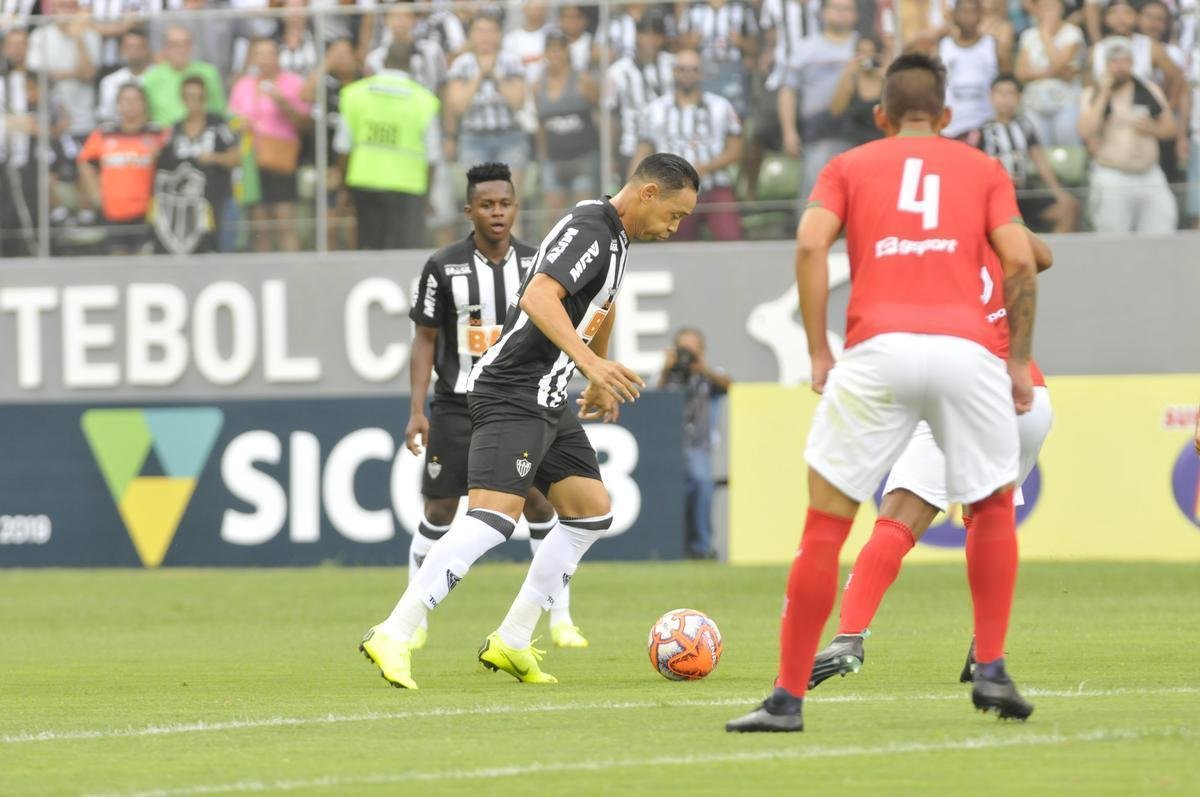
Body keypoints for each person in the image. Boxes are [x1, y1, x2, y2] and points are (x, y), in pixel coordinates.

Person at [726, 52, 1039, 733]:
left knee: (826, 525)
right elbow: (1022, 258)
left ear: (880, 114)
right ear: (948, 114)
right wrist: (1017, 360)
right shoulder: (983, 168)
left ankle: (786, 699)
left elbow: (810, 245)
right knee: (990, 507)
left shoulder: (848, 165)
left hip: (877, 352)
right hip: (967, 353)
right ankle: (991, 666)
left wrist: (818, 348)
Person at [358, 153, 699, 690]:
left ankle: (513, 641)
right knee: (493, 518)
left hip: (547, 395)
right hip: (512, 388)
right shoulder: (592, 228)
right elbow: (538, 294)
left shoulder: (617, 238)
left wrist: (596, 373)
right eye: (675, 214)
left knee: (590, 512)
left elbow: (602, 305)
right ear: (648, 194)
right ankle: (394, 632)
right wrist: (590, 364)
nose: (675, 227)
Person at [809, 232, 1055, 691]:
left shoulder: (907, 248)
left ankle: (848, 637)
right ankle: (987, 653)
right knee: (987, 519)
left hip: (963, 390)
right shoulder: (987, 227)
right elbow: (1040, 258)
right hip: (1030, 399)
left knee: (897, 521)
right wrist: (995, 222)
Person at [404, 162, 589, 651]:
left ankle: (560, 619)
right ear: (469, 211)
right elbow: (425, 339)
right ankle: (414, 620)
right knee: (441, 507)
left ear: (516, 207)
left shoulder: (538, 264)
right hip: (456, 403)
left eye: (505, 203)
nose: (497, 212)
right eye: (486, 205)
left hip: (520, 401)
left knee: (541, 504)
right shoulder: (443, 266)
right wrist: (417, 409)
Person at [333, 40, 438, 251]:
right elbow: (433, 156)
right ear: (410, 64)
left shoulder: (355, 94)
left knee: (370, 250)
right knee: (405, 253)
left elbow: (343, 148)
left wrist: (344, 189)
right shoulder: (424, 100)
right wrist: (426, 195)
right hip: (409, 186)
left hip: (365, 182)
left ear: (383, 61)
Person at [633, 48, 743, 241]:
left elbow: (736, 150)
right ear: (674, 72)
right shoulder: (655, 110)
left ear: (701, 73)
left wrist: (705, 168)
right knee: (677, 245)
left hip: (715, 184)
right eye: (682, 69)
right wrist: (633, 191)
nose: (688, 74)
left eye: (694, 69)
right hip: (673, 190)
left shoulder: (720, 106)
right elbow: (643, 152)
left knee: (731, 238)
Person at [1078, 38, 1179, 232]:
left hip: (1150, 174)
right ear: (1106, 64)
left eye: (1124, 61)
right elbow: (1085, 131)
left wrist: (1152, 128)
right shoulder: (1092, 93)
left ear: (1132, 63)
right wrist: (1104, 93)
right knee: (1114, 238)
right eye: (1114, 62)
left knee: (1163, 233)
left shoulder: (1148, 90)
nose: (1120, 67)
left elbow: (1170, 129)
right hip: (1112, 175)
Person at [229, 36, 310, 252]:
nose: (264, 59)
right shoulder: (244, 85)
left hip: (280, 156)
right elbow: (231, 119)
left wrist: (281, 100)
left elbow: (304, 122)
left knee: (284, 222)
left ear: (278, 56)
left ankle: (293, 268)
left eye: (269, 53)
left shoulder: (292, 82)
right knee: (259, 224)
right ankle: (263, 269)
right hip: (251, 158)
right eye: (259, 54)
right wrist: (240, 124)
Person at [659, 328, 733, 559]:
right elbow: (652, 397)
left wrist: (703, 368)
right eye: (683, 350)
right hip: (666, 447)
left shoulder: (710, 375)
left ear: (702, 351)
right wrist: (666, 369)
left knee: (702, 484)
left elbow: (730, 386)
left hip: (699, 446)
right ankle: (669, 547)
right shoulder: (667, 375)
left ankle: (701, 547)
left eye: (693, 350)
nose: (687, 356)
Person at [778, 0, 860, 205]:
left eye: (847, 9)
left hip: (861, 131)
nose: (841, 13)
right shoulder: (805, 48)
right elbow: (788, 90)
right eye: (836, 8)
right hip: (819, 132)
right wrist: (789, 132)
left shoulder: (864, 46)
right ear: (823, 12)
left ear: (856, 15)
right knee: (815, 196)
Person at [444, 11, 527, 202]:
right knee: (480, 204)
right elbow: (459, 106)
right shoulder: (461, 64)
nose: (485, 36)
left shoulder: (512, 61)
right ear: (471, 34)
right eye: (480, 30)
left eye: (491, 31)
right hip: (474, 139)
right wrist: (480, 74)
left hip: (510, 138)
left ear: (499, 34)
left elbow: (518, 102)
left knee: (510, 201)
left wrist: (496, 74)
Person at [151, 76, 240, 255]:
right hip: (186, 207)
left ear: (205, 98)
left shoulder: (218, 125)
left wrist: (213, 158)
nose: (194, 101)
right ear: (182, 98)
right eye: (189, 96)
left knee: (221, 248)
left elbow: (236, 158)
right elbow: (164, 165)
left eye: (198, 96)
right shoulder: (174, 130)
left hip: (217, 198)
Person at [980, 75, 1080, 232]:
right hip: (997, 197)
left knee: (1069, 208)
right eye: (1000, 93)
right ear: (991, 96)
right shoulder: (982, 131)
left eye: (1011, 93)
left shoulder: (1025, 125)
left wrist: (1058, 193)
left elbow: (1040, 160)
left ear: (1019, 97)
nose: (1005, 99)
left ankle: (1052, 248)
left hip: (1024, 194)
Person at [76, 83, 166, 254]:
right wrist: (95, 194)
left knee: (145, 259)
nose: (130, 105)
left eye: (135, 100)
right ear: (118, 105)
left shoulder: (157, 134)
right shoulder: (104, 133)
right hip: (113, 210)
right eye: (125, 100)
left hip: (147, 211)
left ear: (144, 104)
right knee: (117, 260)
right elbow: (84, 162)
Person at [535, 29, 600, 221]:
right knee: (554, 218)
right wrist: (542, 155)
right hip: (554, 158)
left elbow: (601, 112)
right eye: (551, 49)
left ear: (567, 52)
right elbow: (541, 123)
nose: (555, 54)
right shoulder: (538, 84)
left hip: (583, 156)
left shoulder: (583, 80)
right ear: (545, 53)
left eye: (559, 49)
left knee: (584, 216)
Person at [605, 11, 673, 182]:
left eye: (656, 34)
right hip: (631, 147)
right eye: (645, 34)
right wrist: (610, 155)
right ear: (636, 36)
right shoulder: (617, 72)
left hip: (669, 148)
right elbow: (611, 116)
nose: (650, 40)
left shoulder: (674, 65)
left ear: (663, 38)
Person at [26, 0, 100, 143]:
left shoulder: (91, 35)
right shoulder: (40, 35)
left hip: (83, 121)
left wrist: (78, 38)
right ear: (53, 9)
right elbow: (38, 76)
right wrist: (75, 74)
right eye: (62, 6)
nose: (66, 12)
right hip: (49, 122)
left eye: (70, 6)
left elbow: (88, 74)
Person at [1015, 0, 1086, 147]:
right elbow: (1021, 73)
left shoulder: (1072, 32)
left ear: (1062, 8)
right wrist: (1053, 71)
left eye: (1052, 6)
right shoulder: (1029, 35)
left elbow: (1059, 65)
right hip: (1034, 103)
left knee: (1069, 148)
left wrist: (1046, 35)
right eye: (1043, 7)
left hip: (1065, 102)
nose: (1047, 11)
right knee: (1040, 148)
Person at [677, 0, 759, 117]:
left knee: (736, 113)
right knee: (703, 114)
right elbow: (679, 45)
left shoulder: (742, 7)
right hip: (703, 70)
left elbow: (755, 46)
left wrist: (740, 41)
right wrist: (692, 42)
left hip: (732, 69)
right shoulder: (693, 7)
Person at [938, 0, 1000, 142]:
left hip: (986, 124)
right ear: (954, 15)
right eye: (964, 11)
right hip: (952, 125)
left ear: (981, 15)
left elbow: (1004, 82)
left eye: (973, 11)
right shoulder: (943, 46)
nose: (968, 17)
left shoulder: (992, 45)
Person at [142, 26, 226, 127]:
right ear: (165, 48)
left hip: (203, 132)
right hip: (165, 133)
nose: (180, 49)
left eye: (185, 44)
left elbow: (219, 110)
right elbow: (145, 115)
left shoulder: (209, 73)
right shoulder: (152, 77)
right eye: (174, 45)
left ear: (191, 47)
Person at [828, 35, 886, 147]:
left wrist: (889, 77)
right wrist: (847, 74)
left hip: (880, 141)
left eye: (870, 52)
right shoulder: (852, 80)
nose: (866, 57)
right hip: (854, 141)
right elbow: (835, 111)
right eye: (862, 52)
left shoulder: (885, 81)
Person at [97, 28, 151, 124]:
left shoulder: (159, 77)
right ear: (122, 50)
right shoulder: (109, 81)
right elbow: (106, 115)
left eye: (138, 47)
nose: (134, 52)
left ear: (147, 49)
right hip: (119, 130)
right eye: (129, 47)